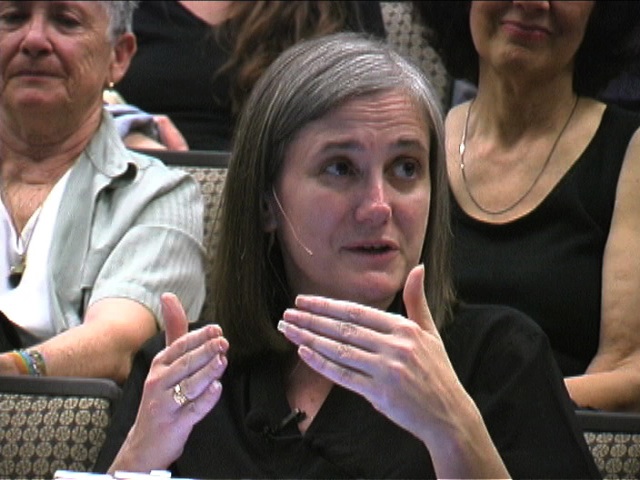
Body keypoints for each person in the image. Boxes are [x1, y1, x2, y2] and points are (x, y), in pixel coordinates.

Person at [94, 33, 598, 478]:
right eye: (340, 168)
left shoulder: (499, 360)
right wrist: (138, 457)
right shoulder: (188, 374)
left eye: (405, 168)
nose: (379, 206)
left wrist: (453, 429)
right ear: (267, 202)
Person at [418, 1, 640, 412]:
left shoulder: (631, 153)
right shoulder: (415, 144)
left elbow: (628, 367)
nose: (533, 2)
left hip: (556, 437)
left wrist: (480, 420)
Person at [0, 1, 206, 383]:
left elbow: (117, 344)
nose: (34, 40)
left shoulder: (158, 196)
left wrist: (12, 370)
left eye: (65, 21)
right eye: (13, 18)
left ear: (119, 56)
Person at [108, 0, 386, 151]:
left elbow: (376, 113)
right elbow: (85, 91)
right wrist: (123, 130)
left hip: (287, 201)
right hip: (137, 184)